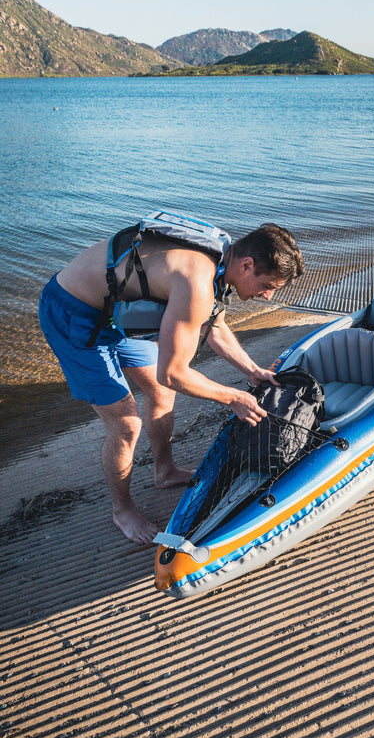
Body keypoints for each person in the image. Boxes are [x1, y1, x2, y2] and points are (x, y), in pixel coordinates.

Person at [39, 219, 304, 545]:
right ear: (247, 265)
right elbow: (174, 372)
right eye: (269, 286)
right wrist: (232, 397)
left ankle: (163, 472)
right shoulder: (196, 280)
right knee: (126, 424)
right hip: (72, 312)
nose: (265, 296)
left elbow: (214, 323)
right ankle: (122, 511)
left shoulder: (222, 257)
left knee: (160, 393)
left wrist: (252, 370)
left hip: (115, 308)